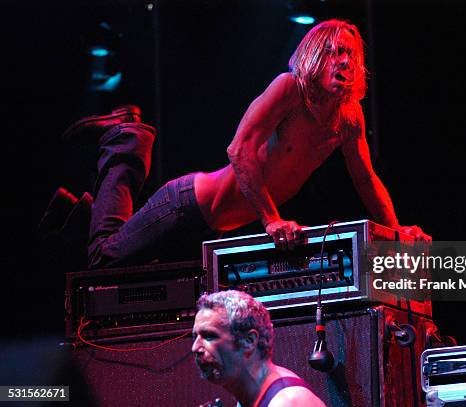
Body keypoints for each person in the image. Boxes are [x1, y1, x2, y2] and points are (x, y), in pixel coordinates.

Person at [62, 19, 431, 269]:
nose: (345, 61)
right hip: (186, 205)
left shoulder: (349, 118)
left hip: (211, 230)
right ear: (315, 56)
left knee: (131, 283)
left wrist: (396, 233)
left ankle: (85, 213)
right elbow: (239, 150)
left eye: (351, 54)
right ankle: (128, 142)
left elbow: (366, 180)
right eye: (336, 52)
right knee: (103, 259)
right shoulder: (290, 89)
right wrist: (271, 220)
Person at [192, 290, 326, 407]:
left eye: (209, 336)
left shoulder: (288, 402)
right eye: (195, 337)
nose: (195, 348)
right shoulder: (249, 396)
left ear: (249, 341)